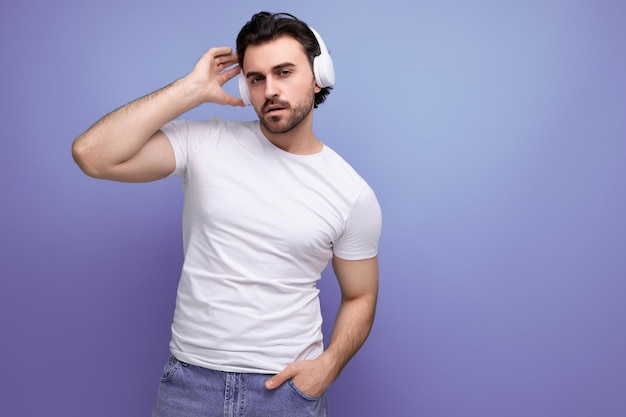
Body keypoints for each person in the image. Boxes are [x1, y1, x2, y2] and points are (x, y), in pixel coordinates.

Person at [72, 11, 382, 417]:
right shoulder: (204, 143)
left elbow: (361, 295)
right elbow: (92, 155)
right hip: (189, 385)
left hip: (286, 393)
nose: (270, 89)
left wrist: (328, 366)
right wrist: (188, 90)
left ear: (319, 74)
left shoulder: (350, 192)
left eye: (284, 72)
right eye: (256, 78)